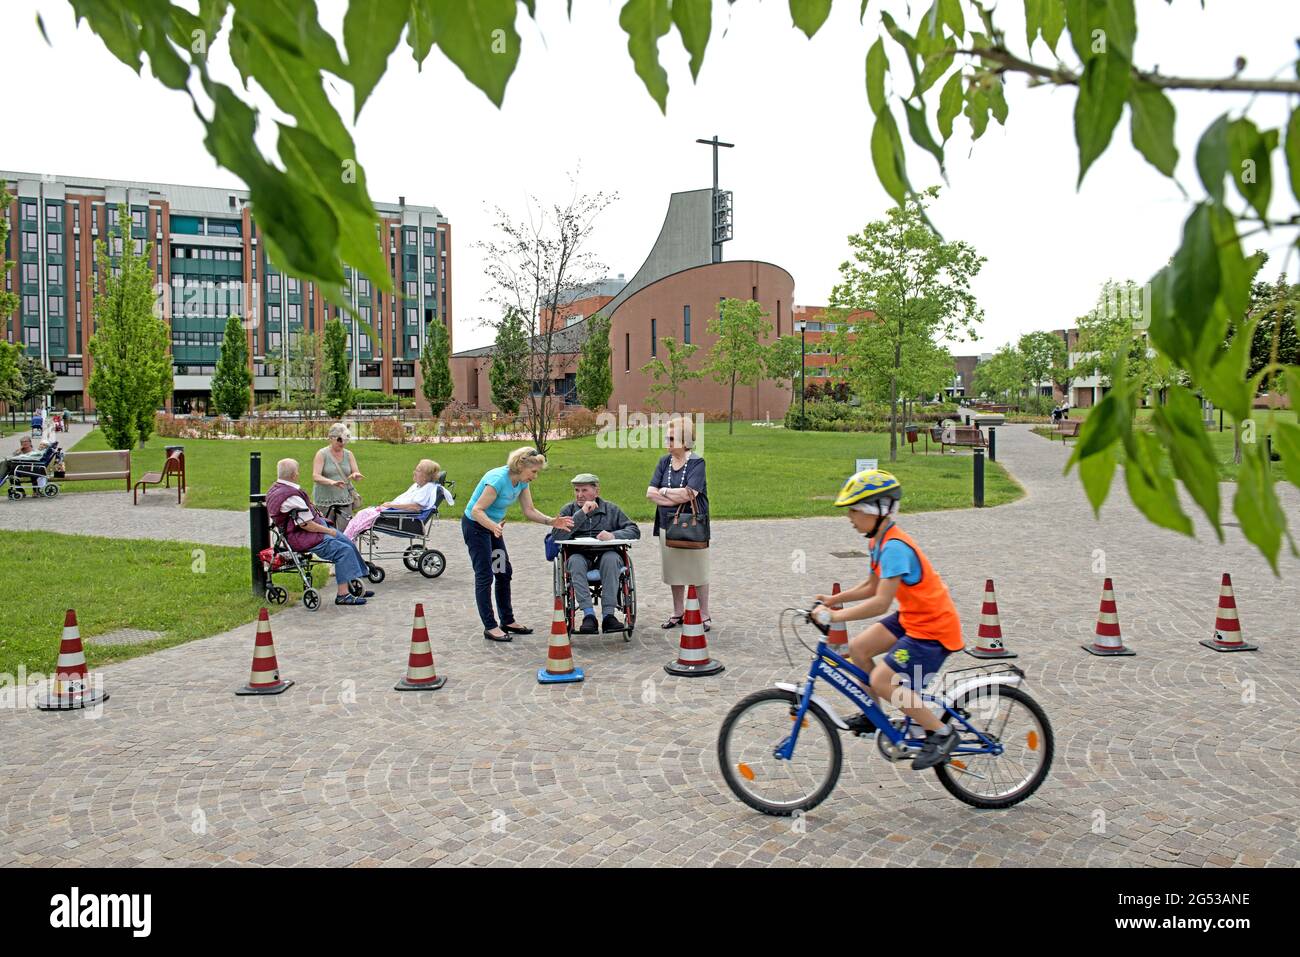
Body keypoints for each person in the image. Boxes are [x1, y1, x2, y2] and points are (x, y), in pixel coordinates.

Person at [812, 469, 965, 771]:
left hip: (932, 629)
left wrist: (836, 616)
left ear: (877, 510)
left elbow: (880, 602)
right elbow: (871, 586)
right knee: (858, 649)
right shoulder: (879, 541)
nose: (850, 517)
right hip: (912, 618)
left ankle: (942, 733)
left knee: (882, 679)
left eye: (855, 510)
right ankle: (873, 715)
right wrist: (834, 600)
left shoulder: (895, 547)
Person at [462, 446, 574, 642]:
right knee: (485, 575)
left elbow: (529, 510)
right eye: (534, 472)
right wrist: (492, 527)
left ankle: (507, 620)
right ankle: (490, 626)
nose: (535, 476)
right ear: (521, 466)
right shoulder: (497, 480)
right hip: (477, 528)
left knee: (503, 572)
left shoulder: (521, 482)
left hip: (493, 528)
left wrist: (551, 521)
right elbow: (477, 511)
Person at [265, 458, 375, 607]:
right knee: (343, 551)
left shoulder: (276, 489)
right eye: (297, 471)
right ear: (293, 475)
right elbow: (306, 524)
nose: (298, 473)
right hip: (304, 535)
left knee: (348, 542)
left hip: (310, 529)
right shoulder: (291, 496)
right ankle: (343, 595)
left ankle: (354, 582)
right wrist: (329, 531)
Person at [551, 473, 640, 633]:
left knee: (611, 559)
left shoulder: (611, 509)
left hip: (607, 555)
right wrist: (582, 513)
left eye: (584, 490)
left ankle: (609, 616)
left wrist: (613, 535)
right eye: (577, 490)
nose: (579, 495)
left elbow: (634, 530)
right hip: (579, 555)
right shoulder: (569, 510)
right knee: (575, 561)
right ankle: (588, 615)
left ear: (596, 491)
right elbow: (557, 536)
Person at [645, 415, 712, 631]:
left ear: (685, 441)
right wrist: (672, 494)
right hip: (667, 524)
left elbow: (690, 493)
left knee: (697, 570)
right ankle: (678, 612)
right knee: (674, 571)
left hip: (693, 525)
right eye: (667, 438)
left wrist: (664, 492)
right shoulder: (664, 462)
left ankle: (703, 614)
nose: (667, 442)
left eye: (671, 438)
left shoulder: (697, 462)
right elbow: (650, 492)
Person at [343, 458, 452, 540]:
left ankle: (347, 541)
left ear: (425, 476)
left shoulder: (427, 489)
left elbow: (416, 508)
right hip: (395, 514)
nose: (414, 472)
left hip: (404, 519)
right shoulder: (418, 486)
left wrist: (391, 505)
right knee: (362, 514)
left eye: (418, 470)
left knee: (363, 515)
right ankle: (347, 540)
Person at [313, 422, 364, 527]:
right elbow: (316, 476)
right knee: (327, 533)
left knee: (345, 533)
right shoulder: (322, 454)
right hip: (325, 500)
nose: (343, 443)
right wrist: (332, 482)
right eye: (340, 440)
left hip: (344, 498)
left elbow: (355, 471)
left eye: (345, 440)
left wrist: (355, 475)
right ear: (331, 438)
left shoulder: (349, 454)